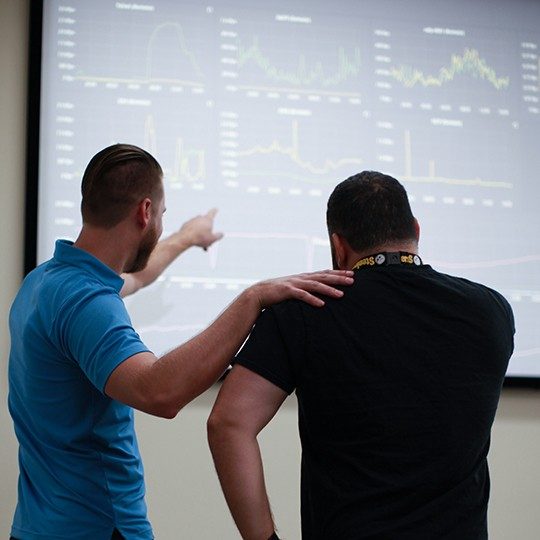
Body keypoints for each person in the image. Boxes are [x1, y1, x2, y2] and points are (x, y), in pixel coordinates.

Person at [7, 143, 354, 540]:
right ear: (145, 212)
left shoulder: (45, 283)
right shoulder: (88, 305)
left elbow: (136, 276)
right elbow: (159, 392)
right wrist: (252, 298)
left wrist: (187, 237)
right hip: (97, 527)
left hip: (38, 526)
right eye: (163, 215)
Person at [207, 171, 515, 540]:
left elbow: (228, 424)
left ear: (338, 247)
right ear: (416, 229)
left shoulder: (304, 309)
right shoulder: (492, 311)